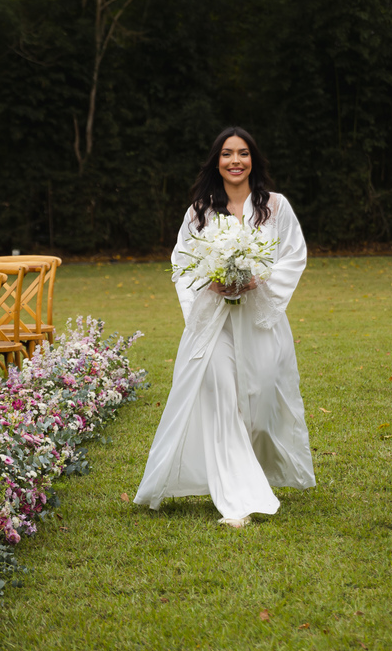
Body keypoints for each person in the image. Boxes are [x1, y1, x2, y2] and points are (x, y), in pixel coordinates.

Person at [133, 127, 315, 527]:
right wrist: (210, 280)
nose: (236, 161)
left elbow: (293, 256)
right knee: (221, 397)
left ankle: (251, 473)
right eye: (228, 154)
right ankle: (237, 500)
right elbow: (182, 263)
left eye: (243, 153)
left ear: (254, 160)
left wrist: (257, 279)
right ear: (217, 161)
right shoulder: (200, 210)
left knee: (261, 395)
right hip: (213, 319)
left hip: (260, 316)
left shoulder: (277, 207)